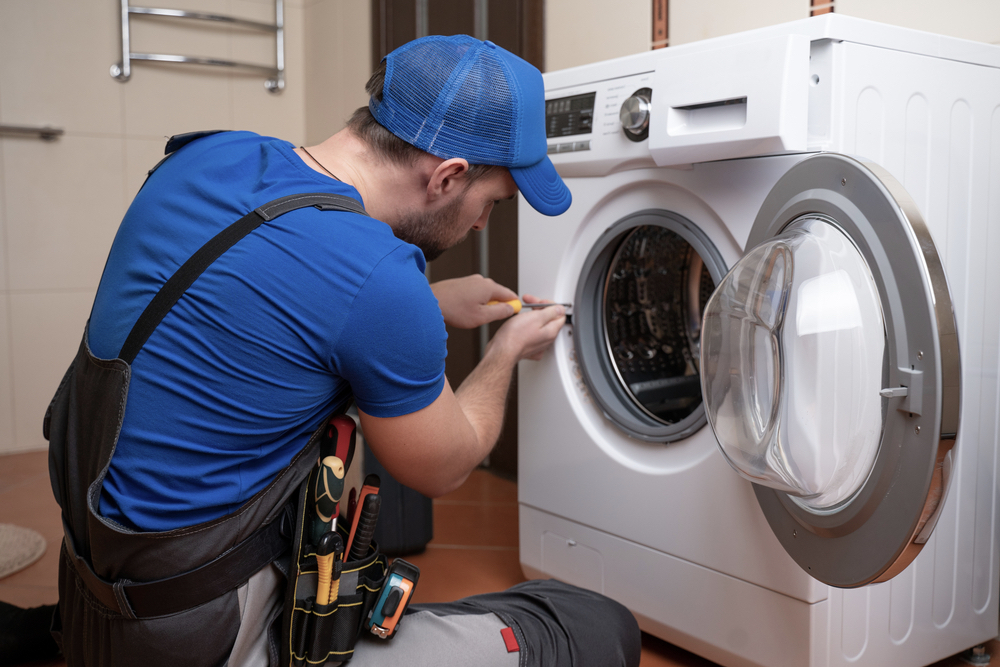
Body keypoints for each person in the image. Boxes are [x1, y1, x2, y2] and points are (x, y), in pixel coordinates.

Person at [39, 34, 640, 667]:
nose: (482, 225)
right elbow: (446, 466)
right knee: (593, 627)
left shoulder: (210, 156)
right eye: (491, 203)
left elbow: (253, 308)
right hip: (204, 631)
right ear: (446, 177)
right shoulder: (378, 278)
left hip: (95, 602)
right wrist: (505, 351)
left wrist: (429, 303)